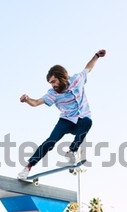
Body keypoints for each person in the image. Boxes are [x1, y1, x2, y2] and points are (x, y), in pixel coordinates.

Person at [17, 49, 106, 179]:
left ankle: (71, 151)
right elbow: (36, 102)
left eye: (53, 81)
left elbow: (88, 68)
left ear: (61, 77)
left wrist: (97, 56)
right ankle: (27, 167)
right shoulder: (53, 93)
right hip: (66, 121)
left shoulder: (77, 79)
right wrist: (27, 100)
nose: (52, 85)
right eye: (50, 83)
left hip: (81, 121)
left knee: (88, 121)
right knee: (50, 141)